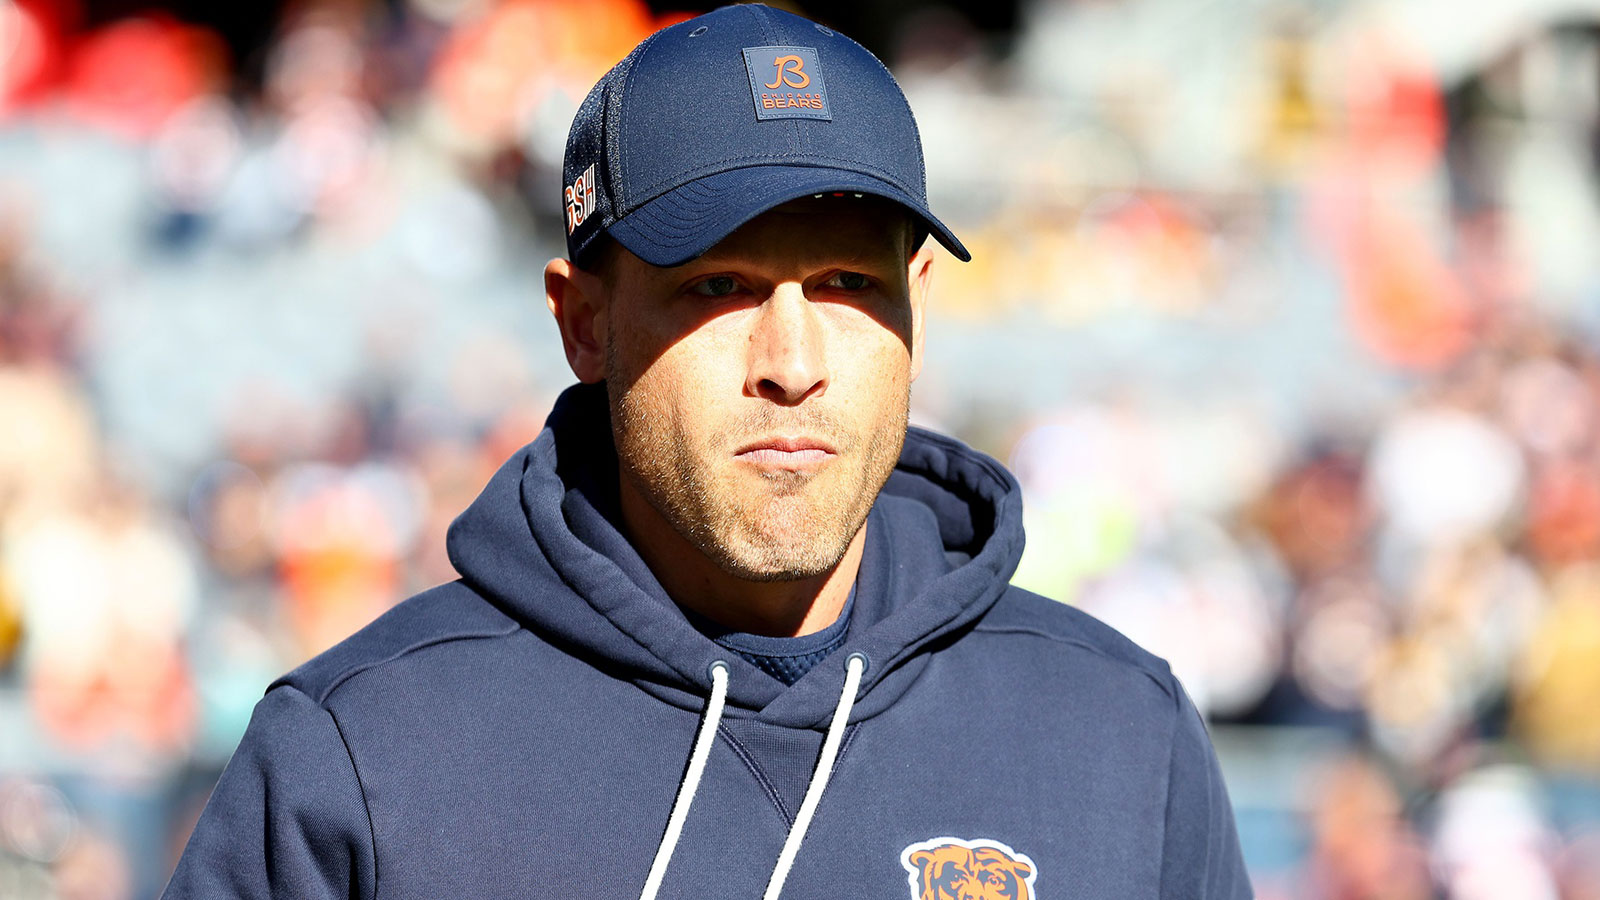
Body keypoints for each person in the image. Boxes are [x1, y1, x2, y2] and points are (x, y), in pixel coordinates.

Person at [163, 5, 1252, 898]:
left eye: (845, 286)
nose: (791, 360)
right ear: (583, 322)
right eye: (717, 288)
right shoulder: (363, 754)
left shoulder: (1119, 730)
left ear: (919, 307)